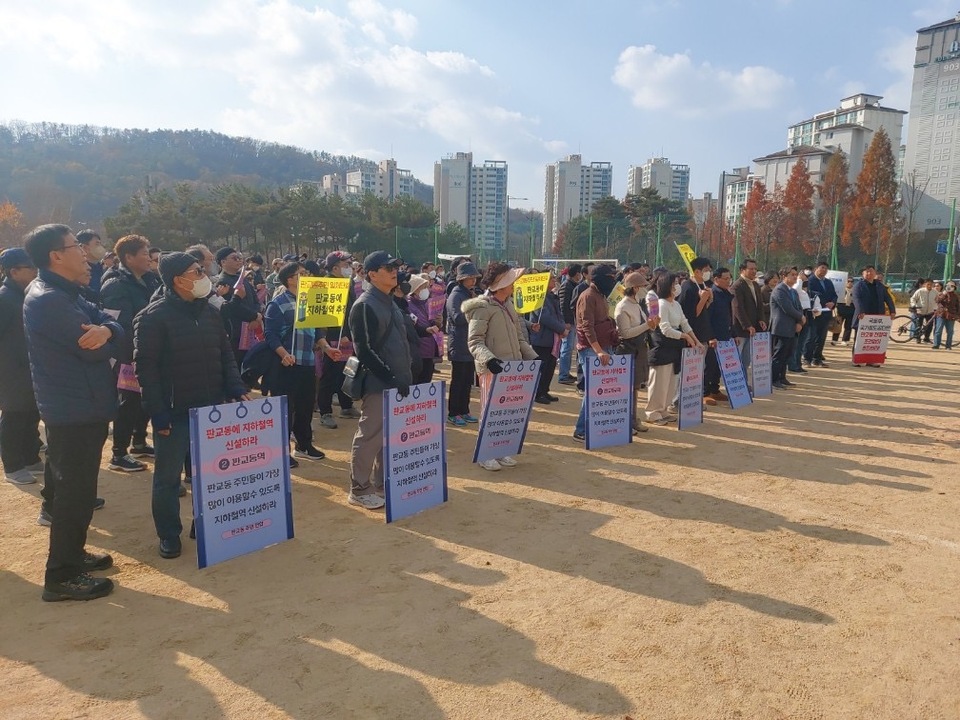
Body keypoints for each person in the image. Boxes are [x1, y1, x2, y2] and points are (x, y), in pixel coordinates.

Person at [23, 224, 122, 601]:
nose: (85, 253)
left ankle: (74, 555)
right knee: (73, 494)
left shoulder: (68, 292)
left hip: (84, 404)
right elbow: (92, 350)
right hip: (72, 409)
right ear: (56, 256)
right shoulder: (48, 299)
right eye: (76, 247)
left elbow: (113, 326)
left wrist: (108, 331)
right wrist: (108, 336)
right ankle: (61, 576)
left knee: (80, 490)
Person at [135, 252, 249, 559]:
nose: (204, 275)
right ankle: (169, 535)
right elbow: (146, 370)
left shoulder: (211, 313)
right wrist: (157, 412)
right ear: (179, 281)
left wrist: (236, 388)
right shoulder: (152, 317)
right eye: (197, 271)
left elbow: (225, 355)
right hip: (174, 413)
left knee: (209, 473)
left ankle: (206, 523)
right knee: (168, 479)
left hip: (211, 409)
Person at [345, 251, 412, 510]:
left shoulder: (389, 301)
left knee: (390, 436)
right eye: (387, 267)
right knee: (370, 435)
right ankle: (359, 489)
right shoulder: (364, 304)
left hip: (396, 381)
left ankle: (383, 483)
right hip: (378, 382)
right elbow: (365, 350)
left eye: (395, 266)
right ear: (372, 274)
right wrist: (391, 377)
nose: (394, 271)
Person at [463, 262, 538, 467]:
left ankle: (500, 450)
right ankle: (485, 455)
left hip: (513, 369)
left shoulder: (509, 305)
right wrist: (490, 359)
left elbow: (520, 337)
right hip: (491, 370)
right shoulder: (482, 307)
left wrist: (532, 357)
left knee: (507, 413)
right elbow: (475, 341)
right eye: (510, 281)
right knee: (489, 412)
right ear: (500, 284)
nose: (514, 284)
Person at [101, 234, 160, 473]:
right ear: (128, 257)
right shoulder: (115, 285)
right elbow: (116, 324)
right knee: (129, 402)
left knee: (144, 401)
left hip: (148, 350)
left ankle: (138, 442)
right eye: (144, 254)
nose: (149, 258)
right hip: (128, 354)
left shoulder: (151, 280)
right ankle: (119, 453)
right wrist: (132, 353)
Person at [263, 261, 325, 463]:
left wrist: (326, 346)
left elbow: (316, 330)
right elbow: (270, 335)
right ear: (290, 279)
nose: (306, 276)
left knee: (305, 407)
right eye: (301, 273)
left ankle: (304, 445)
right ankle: (282, 452)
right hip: (286, 365)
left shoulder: (309, 300)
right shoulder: (278, 303)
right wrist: (283, 354)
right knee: (285, 410)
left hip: (307, 362)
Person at [0, 248, 43, 485]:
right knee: (14, 415)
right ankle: (13, 466)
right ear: (14, 271)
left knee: (31, 413)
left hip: (30, 365)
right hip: (10, 369)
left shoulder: (27, 294)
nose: (36, 271)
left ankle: (30, 457)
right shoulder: (4, 299)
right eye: (31, 268)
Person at [572, 264, 620, 441]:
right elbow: (587, 327)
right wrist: (598, 350)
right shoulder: (587, 297)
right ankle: (581, 430)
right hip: (591, 350)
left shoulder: (601, 295)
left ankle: (599, 426)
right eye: (610, 277)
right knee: (593, 390)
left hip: (605, 346)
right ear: (598, 278)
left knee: (605, 389)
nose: (613, 281)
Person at [646, 272, 699, 424]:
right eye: (674, 284)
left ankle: (663, 410)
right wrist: (685, 336)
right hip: (662, 346)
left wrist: (696, 340)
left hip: (675, 347)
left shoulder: (676, 304)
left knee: (671, 382)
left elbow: (685, 323)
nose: (677, 286)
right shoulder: (660, 304)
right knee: (659, 382)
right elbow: (665, 329)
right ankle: (653, 412)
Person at [316, 251, 360, 430]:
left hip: (348, 334)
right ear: (334, 267)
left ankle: (346, 406)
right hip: (333, 338)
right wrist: (337, 334)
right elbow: (326, 314)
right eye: (345, 265)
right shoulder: (326, 284)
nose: (349, 268)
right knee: (330, 375)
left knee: (347, 372)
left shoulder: (347, 282)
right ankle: (325, 412)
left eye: (349, 264)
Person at [614, 271, 656, 432]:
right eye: (643, 286)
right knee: (627, 389)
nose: (646, 289)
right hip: (627, 350)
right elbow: (625, 333)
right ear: (636, 288)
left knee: (635, 387)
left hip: (639, 350)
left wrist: (651, 325)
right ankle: (625, 421)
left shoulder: (637, 304)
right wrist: (648, 325)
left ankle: (633, 419)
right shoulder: (623, 306)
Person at [679, 257, 722, 405]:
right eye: (706, 270)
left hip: (703, 333)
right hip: (692, 335)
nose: (708, 273)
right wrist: (703, 300)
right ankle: (687, 398)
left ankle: (697, 397)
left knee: (700, 368)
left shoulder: (702, 285)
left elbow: (704, 313)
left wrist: (708, 300)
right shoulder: (688, 287)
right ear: (697, 271)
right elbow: (691, 316)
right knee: (691, 370)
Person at [446, 261, 481, 426]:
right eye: (470, 277)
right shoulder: (456, 295)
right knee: (458, 380)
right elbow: (457, 318)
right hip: (459, 343)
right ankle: (453, 412)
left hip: (469, 344)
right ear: (461, 279)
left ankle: (464, 410)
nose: (473, 280)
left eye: (474, 277)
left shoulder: (468, 294)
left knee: (467, 380)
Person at [215, 247, 262, 372]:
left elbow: (255, 300)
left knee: (251, 356)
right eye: (234, 258)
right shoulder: (222, 282)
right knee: (236, 359)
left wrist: (257, 315)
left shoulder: (243, 279)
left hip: (251, 325)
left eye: (239, 258)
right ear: (223, 262)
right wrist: (254, 316)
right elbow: (233, 307)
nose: (238, 261)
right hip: (235, 328)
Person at [526, 269, 566, 405]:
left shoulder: (552, 296)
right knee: (541, 368)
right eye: (551, 278)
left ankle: (544, 391)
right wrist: (561, 328)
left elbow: (558, 315)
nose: (554, 280)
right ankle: (538, 393)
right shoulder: (537, 297)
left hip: (553, 338)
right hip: (542, 339)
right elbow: (545, 317)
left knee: (550, 366)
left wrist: (562, 326)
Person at [731, 258, 767, 386]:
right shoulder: (737, 286)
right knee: (737, 358)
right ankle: (737, 384)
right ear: (742, 270)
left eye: (755, 269)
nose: (754, 271)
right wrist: (747, 325)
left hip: (753, 329)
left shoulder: (755, 285)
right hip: (741, 330)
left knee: (746, 360)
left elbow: (760, 306)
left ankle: (744, 383)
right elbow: (737, 308)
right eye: (751, 269)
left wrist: (761, 319)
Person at [851, 265, 893, 367]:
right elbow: (856, 299)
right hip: (863, 316)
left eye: (871, 272)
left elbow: (888, 298)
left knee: (875, 340)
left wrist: (892, 310)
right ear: (863, 274)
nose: (869, 274)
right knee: (860, 339)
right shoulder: (858, 285)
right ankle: (857, 359)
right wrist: (861, 311)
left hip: (878, 316)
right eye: (867, 272)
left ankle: (872, 360)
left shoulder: (879, 285)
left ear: (875, 273)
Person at [770, 267, 804, 388]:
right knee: (779, 354)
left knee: (787, 354)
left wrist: (800, 322)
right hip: (781, 327)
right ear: (784, 276)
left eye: (796, 274)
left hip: (792, 327)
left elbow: (799, 307)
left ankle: (782, 377)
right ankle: (774, 379)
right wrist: (801, 316)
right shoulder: (779, 290)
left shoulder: (793, 291)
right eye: (792, 274)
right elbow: (787, 308)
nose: (795, 277)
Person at [406, 273, 443, 385]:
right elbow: (412, 327)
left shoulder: (427, 303)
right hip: (417, 351)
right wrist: (426, 330)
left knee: (426, 381)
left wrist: (438, 322)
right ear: (414, 289)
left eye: (426, 287)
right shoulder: (408, 305)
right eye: (422, 288)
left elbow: (432, 322)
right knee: (416, 383)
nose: (426, 290)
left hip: (429, 350)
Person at [805, 261, 838, 366]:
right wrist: (824, 303)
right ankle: (807, 358)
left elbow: (834, 295)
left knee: (822, 337)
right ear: (816, 268)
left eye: (825, 268)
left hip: (826, 313)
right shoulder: (810, 281)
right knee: (811, 337)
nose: (824, 270)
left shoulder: (828, 282)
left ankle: (817, 358)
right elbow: (811, 295)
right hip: (814, 313)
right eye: (822, 267)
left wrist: (833, 302)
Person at [556, 263, 583, 385]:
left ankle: (565, 373)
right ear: (577, 273)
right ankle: (563, 375)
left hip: (572, 321)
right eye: (580, 273)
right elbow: (563, 305)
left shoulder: (572, 285)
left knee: (569, 348)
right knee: (566, 348)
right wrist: (565, 322)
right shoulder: (566, 286)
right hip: (568, 322)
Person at [76, 229, 107, 296]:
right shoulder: (79, 273)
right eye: (97, 244)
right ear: (84, 247)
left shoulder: (103, 268)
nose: (101, 247)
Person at [910, 278, 938, 344]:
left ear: (933, 284)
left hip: (930, 311)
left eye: (931, 284)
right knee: (918, 325)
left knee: (930, 325)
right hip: (920, 311)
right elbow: (913, 299)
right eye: (928, 284)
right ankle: (918, 338)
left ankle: (926, 338)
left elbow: (938, 300)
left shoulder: (935, 292)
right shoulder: (920, 291)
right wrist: (913, 305)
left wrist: (937, 307)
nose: (929, 286)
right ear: (925, 284)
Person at [933, 281, 959, 350]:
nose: (949, 287)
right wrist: (943, 294)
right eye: (948, 285)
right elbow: (937, 300)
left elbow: (958, 307)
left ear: (954, 288)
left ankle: (948, 346)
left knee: (950, 331)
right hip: (941, 314)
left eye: (952, 286)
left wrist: (958, 316)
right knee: (938, 330)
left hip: (951, 316)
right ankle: (936, 345)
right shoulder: (941, 294)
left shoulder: (956, 296)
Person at [832, 276, 855, 346]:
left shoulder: (855, 291)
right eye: (848, 281)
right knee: (837, 325)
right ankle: (834, 340)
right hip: (841, 309)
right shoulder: (840, 290)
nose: (850, 283)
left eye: (851, 281)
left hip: (851, 309)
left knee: (848, 326)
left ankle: (845, 340)